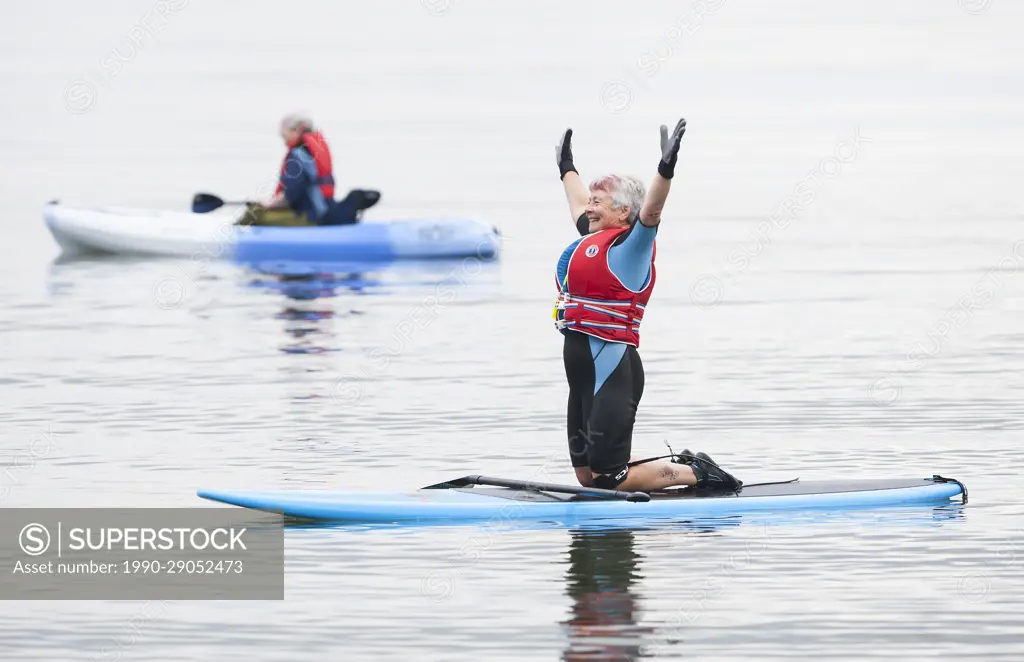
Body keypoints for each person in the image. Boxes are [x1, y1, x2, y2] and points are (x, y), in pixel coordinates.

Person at [553, 119, 743, 494]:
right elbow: (578, 202)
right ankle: (680, 464)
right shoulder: (595, 237)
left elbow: (652, 211)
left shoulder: (631, 249)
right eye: (590, 201)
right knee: (587, 475)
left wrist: (664, 170)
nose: (588, 208)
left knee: (610, 478)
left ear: (623, 212)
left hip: (612, 372)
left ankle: (699, 472)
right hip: (580, 376)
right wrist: (566, 168)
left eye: (598, 202)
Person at [239, 114, 379, 227]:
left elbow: (292, 194)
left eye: (284, 133)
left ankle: (234, 240)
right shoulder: (314, 151)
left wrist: (267, 205)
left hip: (310, 216)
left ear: (295, 131)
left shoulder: (298, 156)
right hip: (324, 210)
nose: (283, 139)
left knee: (253, 213)